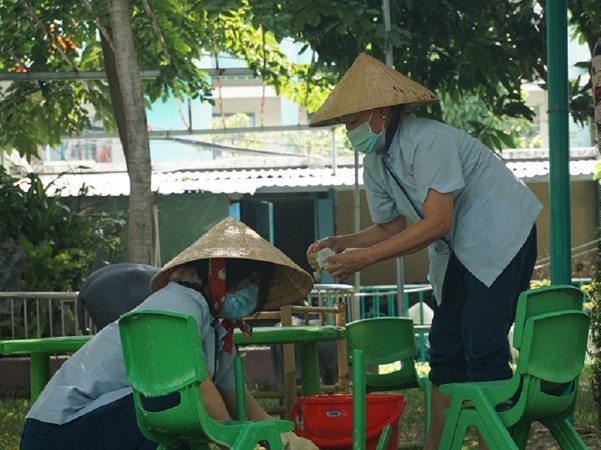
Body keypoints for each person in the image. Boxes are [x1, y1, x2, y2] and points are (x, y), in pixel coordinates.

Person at [306, 53, 542, 449]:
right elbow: (390, 225)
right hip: (462, 249)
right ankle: (438, 445)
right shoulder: (377, 163)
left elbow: (436, 223)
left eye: (352, 121)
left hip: (503, 233)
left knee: (482, 344)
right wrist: (342, 243)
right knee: (446, 348)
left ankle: (496, 443)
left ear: (381, 111)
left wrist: (365, 259)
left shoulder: (429, 140)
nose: (349, 131)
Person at [21, 217, 318, 450]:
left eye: (258, 284)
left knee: (184, 417)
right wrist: (236, 441)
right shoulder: (177, 302)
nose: (253, 292)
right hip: (59, 433)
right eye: (248, 281)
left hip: (99, 425)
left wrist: (283, 439)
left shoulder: (216, 331)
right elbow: (199, 388)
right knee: (177, 409)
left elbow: (234, 398)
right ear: (221, 275)